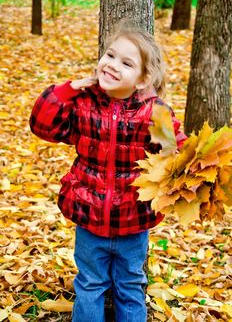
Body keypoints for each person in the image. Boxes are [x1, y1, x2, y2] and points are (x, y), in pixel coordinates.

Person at [30, 20, 186, 322]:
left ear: (142, 80)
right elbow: (43, 126)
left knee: (130, 286)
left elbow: (172, 156)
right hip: (89, 218)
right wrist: (65, 91)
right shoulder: (84, 103)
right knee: (90, 284)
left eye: (126, 63)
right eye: (110, 55)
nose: (112, 65)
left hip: (133, 220)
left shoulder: (155, 111)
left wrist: (175, 145)